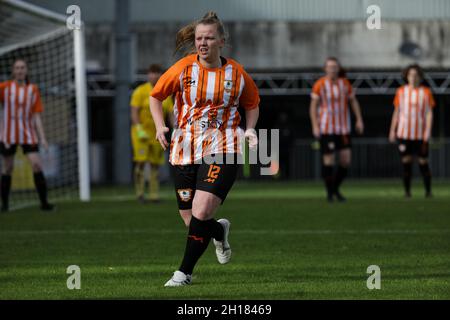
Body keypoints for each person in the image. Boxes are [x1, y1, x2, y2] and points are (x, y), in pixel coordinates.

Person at [149, 11, 260, 286]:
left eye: (209, 38)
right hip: (184, 148)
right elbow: (156, 96)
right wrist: (160, 125)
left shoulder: (236, 73)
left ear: (221, 41)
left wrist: (249, 129)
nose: (203, 43)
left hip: (223, 146)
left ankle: (183, 273)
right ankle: (218, 232)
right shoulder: (183, 69)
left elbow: (252, 103)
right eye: (199, 38)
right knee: (190, 221)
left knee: (201, 211)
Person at [0, 59, 54, 212]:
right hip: (8, 135)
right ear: (13, 71)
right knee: (7, 168)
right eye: (17, 68)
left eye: (22, 67)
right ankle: (4, 205)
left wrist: (42, 138)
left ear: (27, 70)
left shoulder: (33, 89)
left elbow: (36, 116)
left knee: (36, 164)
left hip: (28, 133)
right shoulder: (4, 88)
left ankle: (44, 203)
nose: (20, 70)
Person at [309, 57, 364, 202]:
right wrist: (315, 125)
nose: (333, 69)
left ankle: (335, 188)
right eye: (330, 67)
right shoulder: (320, 84)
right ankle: (330, 194)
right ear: (325, 69)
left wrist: (359, 119)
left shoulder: (344, 84)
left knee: (345, 160)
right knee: (329, 160)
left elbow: (353, 101)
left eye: (335, 67)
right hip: (326, 128)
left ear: (338, 68)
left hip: (343, 128)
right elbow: (313, 106)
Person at [389, 64, 435, 198]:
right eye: (410, 75)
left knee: (423, 162)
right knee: (406, 162)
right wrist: (392, 130)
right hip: (404, 133)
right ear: (407, 76)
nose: (413, 78)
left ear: (420, 77)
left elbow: (429, 113)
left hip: (420, 134)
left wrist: (428, 131)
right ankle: (407, 192)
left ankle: (428, 191)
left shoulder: (426, 92)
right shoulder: (401, 91)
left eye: (416, 75)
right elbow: (396, 112)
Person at [130, 64, 173, 203]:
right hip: (142, 133)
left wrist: (176, 129)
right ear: (148, 75)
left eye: (157, 73)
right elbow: (134, 111)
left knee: (155, 164)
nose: (154, 76)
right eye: (152, 73)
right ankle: (140, 193)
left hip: (157, 134)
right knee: (141, 162)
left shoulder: (166, 93)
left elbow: (171, 114)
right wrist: (138, 128)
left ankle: (154, 194)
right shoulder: (140, 91)